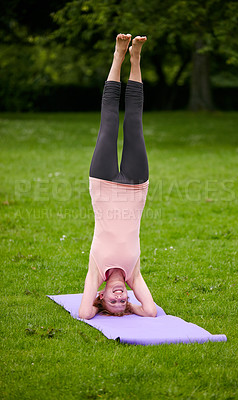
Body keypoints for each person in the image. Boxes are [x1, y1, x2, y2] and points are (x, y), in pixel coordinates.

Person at [78, 33, 157, 319]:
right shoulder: (134, 275)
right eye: (123, 303)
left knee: (109, 119)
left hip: (101, 182)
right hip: (136, 188)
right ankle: (135, 58)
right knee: (134, 121)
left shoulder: (96, 270)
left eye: (113, 303)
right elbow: (150, 312)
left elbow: (85, 313)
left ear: (101, 295)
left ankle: (117, 56)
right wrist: (133, 309)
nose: (120, 300)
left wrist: (98, 305)